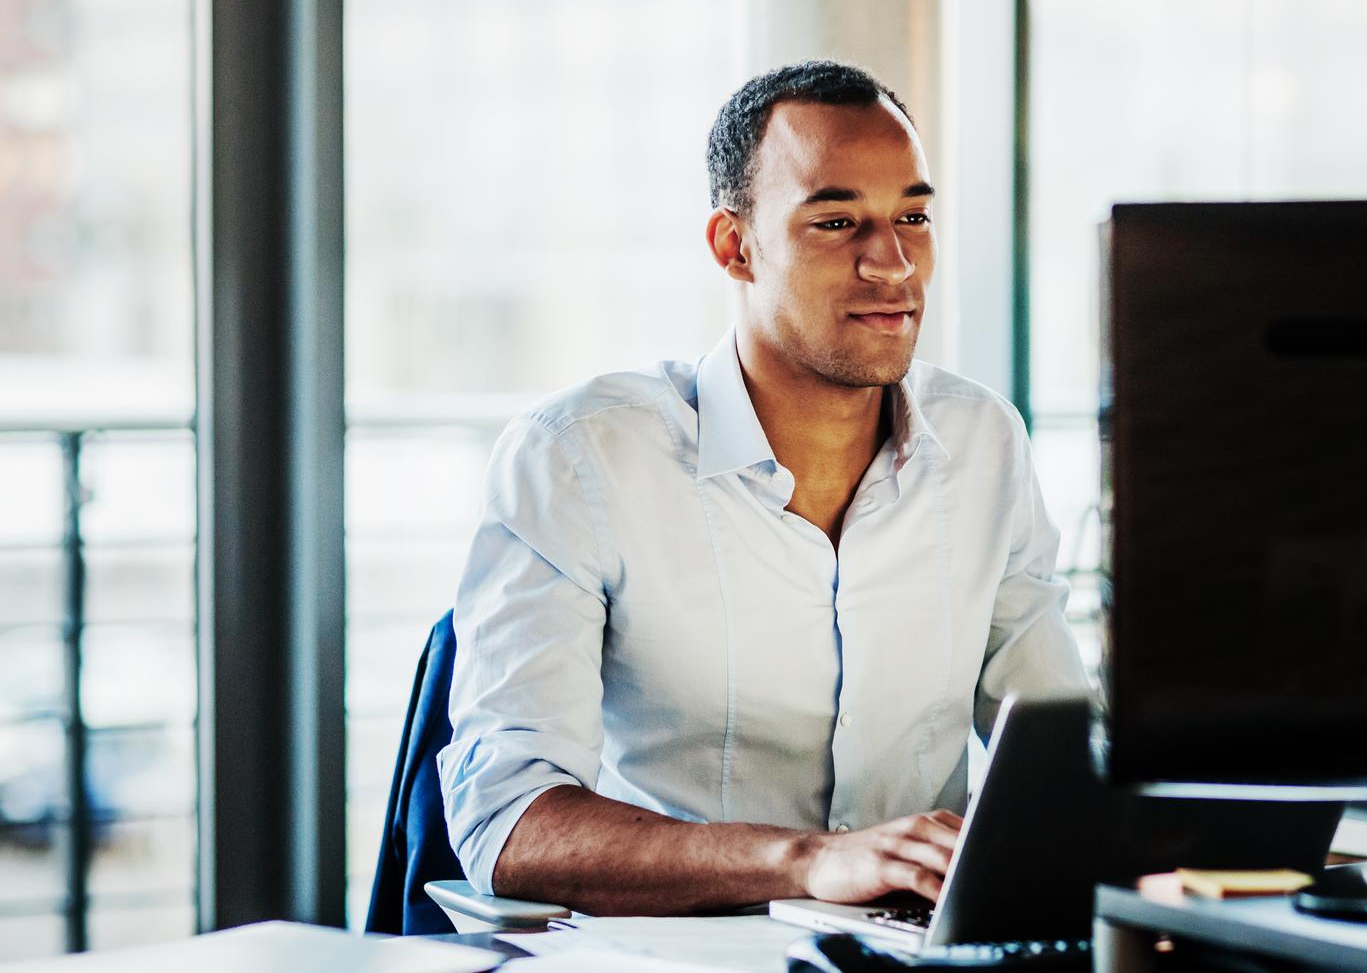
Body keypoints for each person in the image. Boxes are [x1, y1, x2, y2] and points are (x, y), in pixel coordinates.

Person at [439, 60, 1087, 917]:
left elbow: (1063, 755)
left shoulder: (981, 442)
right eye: (835, 221)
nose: (893, 262)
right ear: (735, 246)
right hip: (686, 958)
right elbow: (509, 824)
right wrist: (809, 861)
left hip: (923, 950)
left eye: (913, 217)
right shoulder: (580, 457)